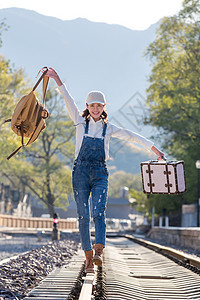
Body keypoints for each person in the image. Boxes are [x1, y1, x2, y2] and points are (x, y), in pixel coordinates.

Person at [44, 68, 165, 273]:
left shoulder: (109, 128)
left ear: (104, 107)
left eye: (99, 106)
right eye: (92, 106)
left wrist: (153, 149)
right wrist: (56, 79)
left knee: (99, 213)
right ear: (88, 107)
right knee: (83, 216)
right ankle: (89, 259)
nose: (96, 109)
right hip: (80, 172)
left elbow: (131, 136)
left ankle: (99, 251)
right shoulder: (79, 121)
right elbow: (68, 99)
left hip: (100, 173)